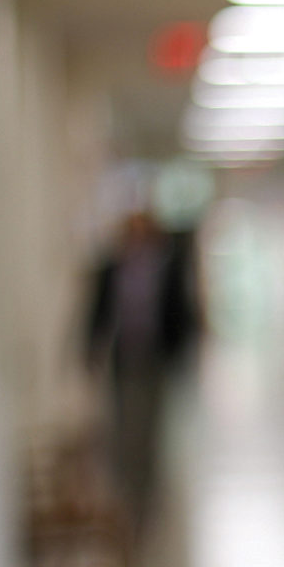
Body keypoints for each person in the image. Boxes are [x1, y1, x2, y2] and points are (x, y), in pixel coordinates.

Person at [82, 210, 200, 525]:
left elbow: (183, 312)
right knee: (125, 424)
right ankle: (128, 485)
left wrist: (183, 354)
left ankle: (148, 489)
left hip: (156, 356)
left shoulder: (167, 268)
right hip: (125, 356)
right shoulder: (112, 269)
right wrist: (90, 351)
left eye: (143, 233)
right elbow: (98, 311)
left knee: (150, 424)